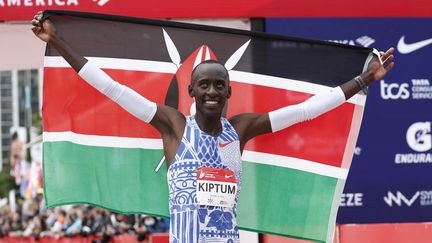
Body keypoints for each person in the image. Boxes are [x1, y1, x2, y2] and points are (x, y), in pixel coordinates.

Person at [31, 11, 394, 243]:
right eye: (204, 84)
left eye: (219, 85)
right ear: (190, 90)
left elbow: (305, 111)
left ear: (229, 92)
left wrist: (362, 81)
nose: (211, 91)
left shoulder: (242, 128)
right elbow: (113, 88)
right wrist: (58, 42)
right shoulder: (173, 126)